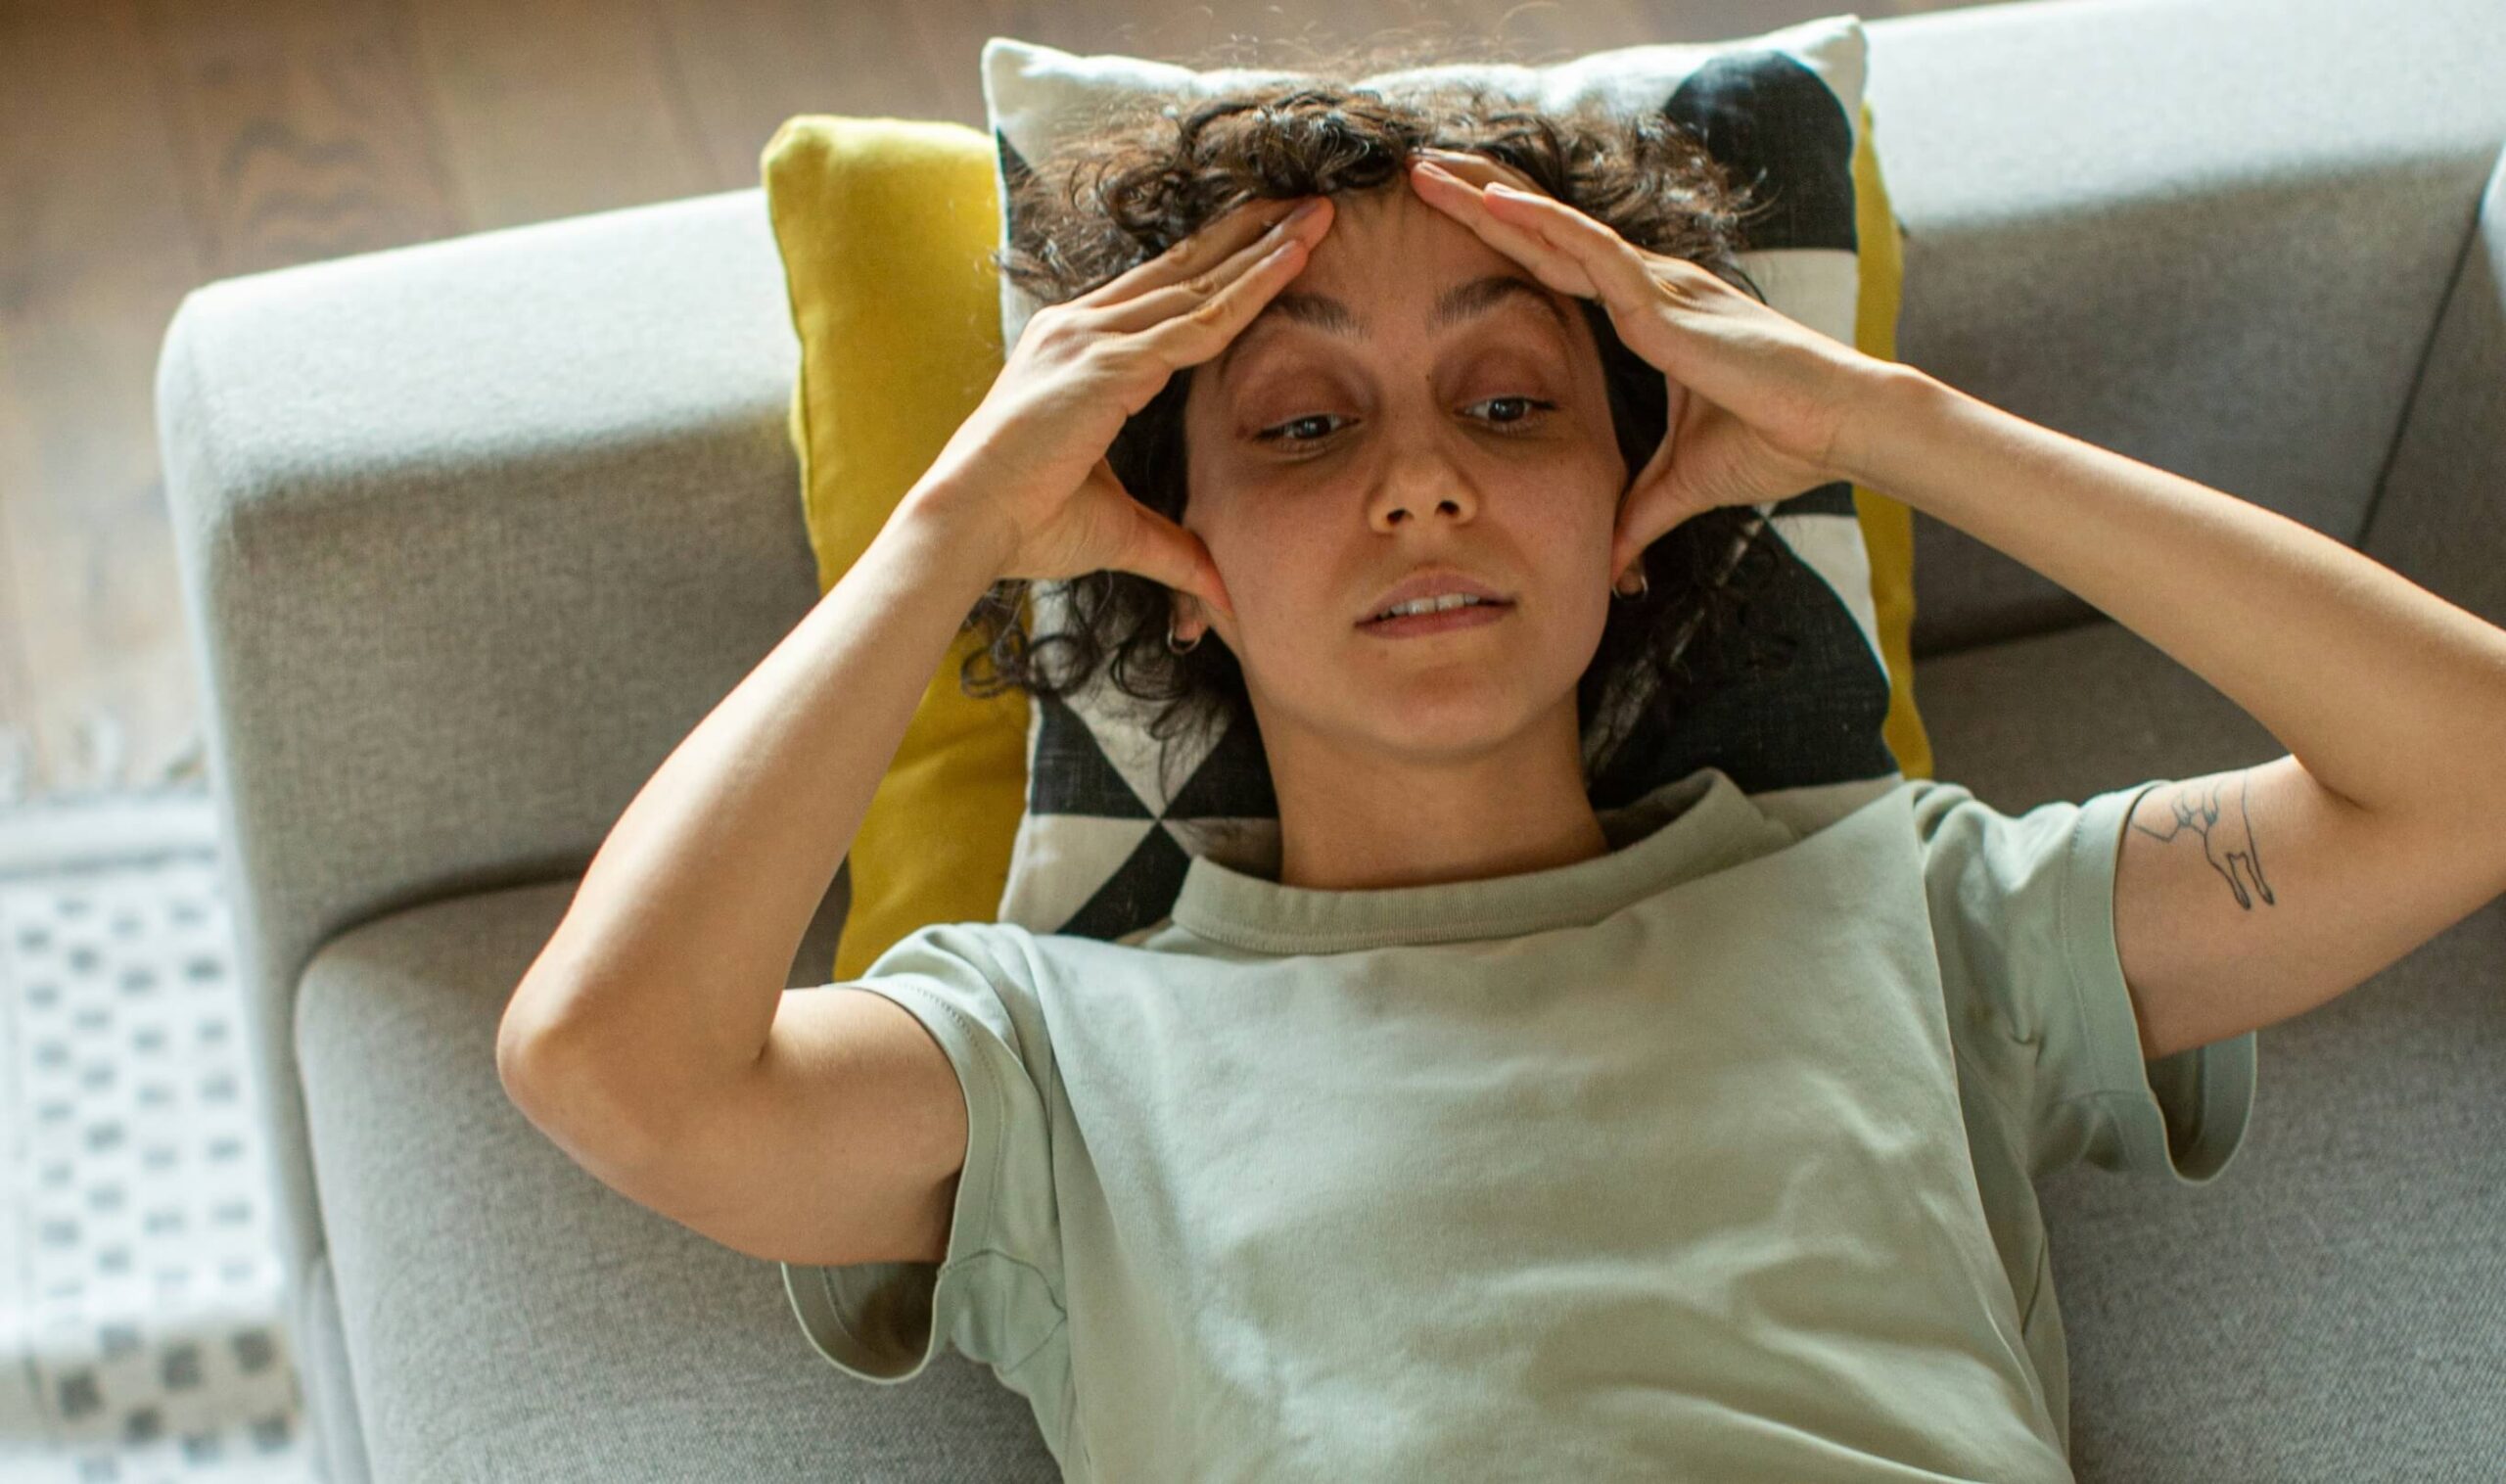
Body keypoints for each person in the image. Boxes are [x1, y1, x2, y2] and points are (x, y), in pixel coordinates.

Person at [498, 64, 2506, 1480]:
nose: (1424, 473)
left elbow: (2464, 765)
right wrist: (948, 523)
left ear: (1637, 484)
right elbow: (613, 1060)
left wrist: (1881, 419)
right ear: (1154, 540)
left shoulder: (1910, 905)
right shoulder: (1051, 1046)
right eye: (1298, 426)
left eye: (1512, 395)